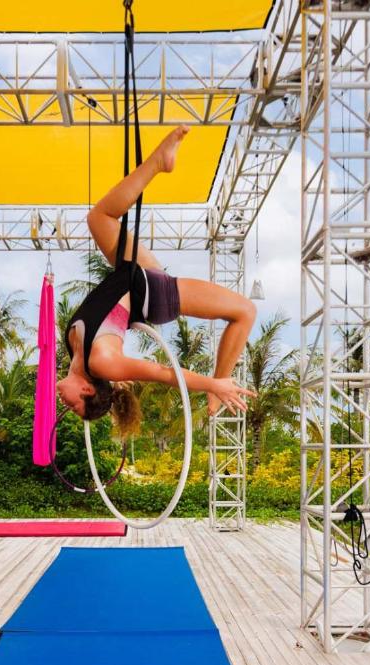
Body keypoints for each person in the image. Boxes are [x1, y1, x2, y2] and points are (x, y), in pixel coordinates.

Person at [57, 125, 257, 434]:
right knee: (245, 311)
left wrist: (115, 374)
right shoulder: (102, 362)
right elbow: (164, 372)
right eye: (72, 405)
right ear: (86, 390)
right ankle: (217, 387)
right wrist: (213, 382)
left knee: (99, 218)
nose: (63, 401)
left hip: (133, 277)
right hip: (153, 294)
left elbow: (113, 344)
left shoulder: (83, 356)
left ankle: (160, 161)